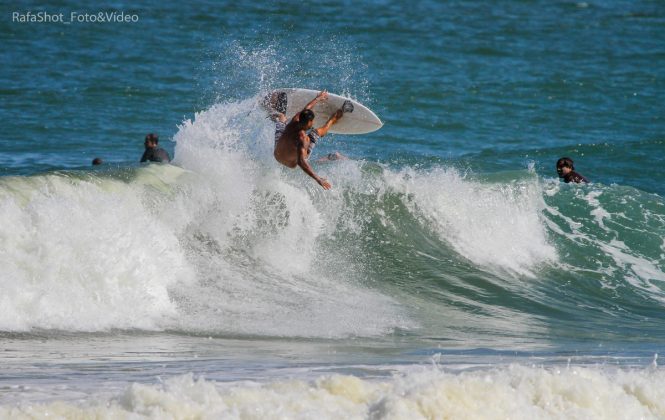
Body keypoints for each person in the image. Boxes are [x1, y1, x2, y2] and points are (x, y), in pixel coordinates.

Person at [271, 90, 346, 190]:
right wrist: (318, 179)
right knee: (317, 132)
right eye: (312, 121)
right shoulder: (303, 139)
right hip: (290, 163)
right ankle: (334, 118)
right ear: (308, 123)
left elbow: (306, 109)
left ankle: (272, 109)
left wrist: (317, 98)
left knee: (282, 117)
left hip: (277, 153)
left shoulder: (295, 119)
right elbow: (301, 162)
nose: (312, 123)